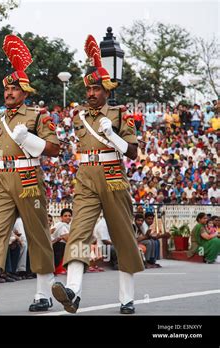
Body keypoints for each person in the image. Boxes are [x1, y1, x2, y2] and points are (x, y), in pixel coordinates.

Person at [0, 34, 60, 314]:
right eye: (7, 89)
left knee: (37, 235)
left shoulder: (37, 116)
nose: (9, 93)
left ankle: (43, 293)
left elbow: (53, 149)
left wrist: (29, 139)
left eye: (15, 89)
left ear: (25, 92)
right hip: (2, 178)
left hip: (29, 176)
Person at [52, 34, 144, 315]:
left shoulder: (119, 114)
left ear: (106, 90)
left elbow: (132, 153)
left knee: (122, 236)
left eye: (96, 89)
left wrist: (111, 134)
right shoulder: (79, 115)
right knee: (78, 234)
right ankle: (73, 292)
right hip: (86, 175)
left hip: (114, 173)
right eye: (88, 89)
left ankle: (127, 298)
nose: (91, 93)